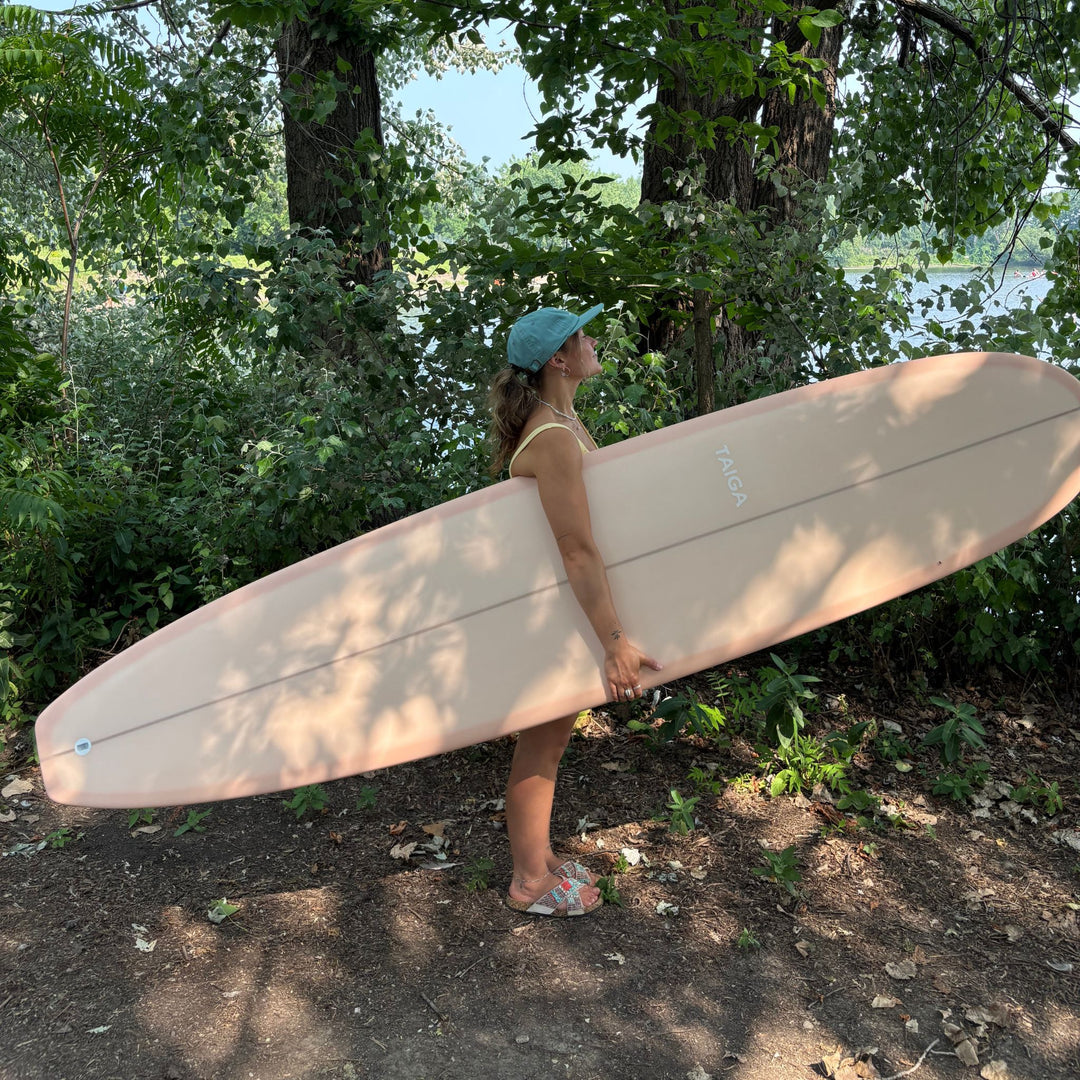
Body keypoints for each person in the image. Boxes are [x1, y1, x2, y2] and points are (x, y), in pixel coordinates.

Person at [488, 304, 663, 917]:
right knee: (542, 742)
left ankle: (538, 857)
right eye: (580, 336)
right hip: (555, 611)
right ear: (557, 360)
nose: (592, 341)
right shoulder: (555, 436)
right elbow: (576, 546)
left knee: (551, 741)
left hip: (562, 609)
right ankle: (528, 880)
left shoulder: (561, 420)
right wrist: (615, 639)